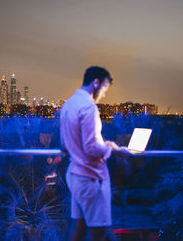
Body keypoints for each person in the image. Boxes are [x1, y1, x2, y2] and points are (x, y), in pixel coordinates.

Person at [60, 66, 131, 241]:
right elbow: (90, 148)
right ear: (96, 83)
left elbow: (67, 142)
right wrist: (114, 150)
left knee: (78, 228)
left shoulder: (68, 104)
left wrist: (104, 144)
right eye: (104, 88)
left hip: (75, 175)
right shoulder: (89, 107)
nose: (104, 94)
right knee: (97, 233)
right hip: (91, 178)